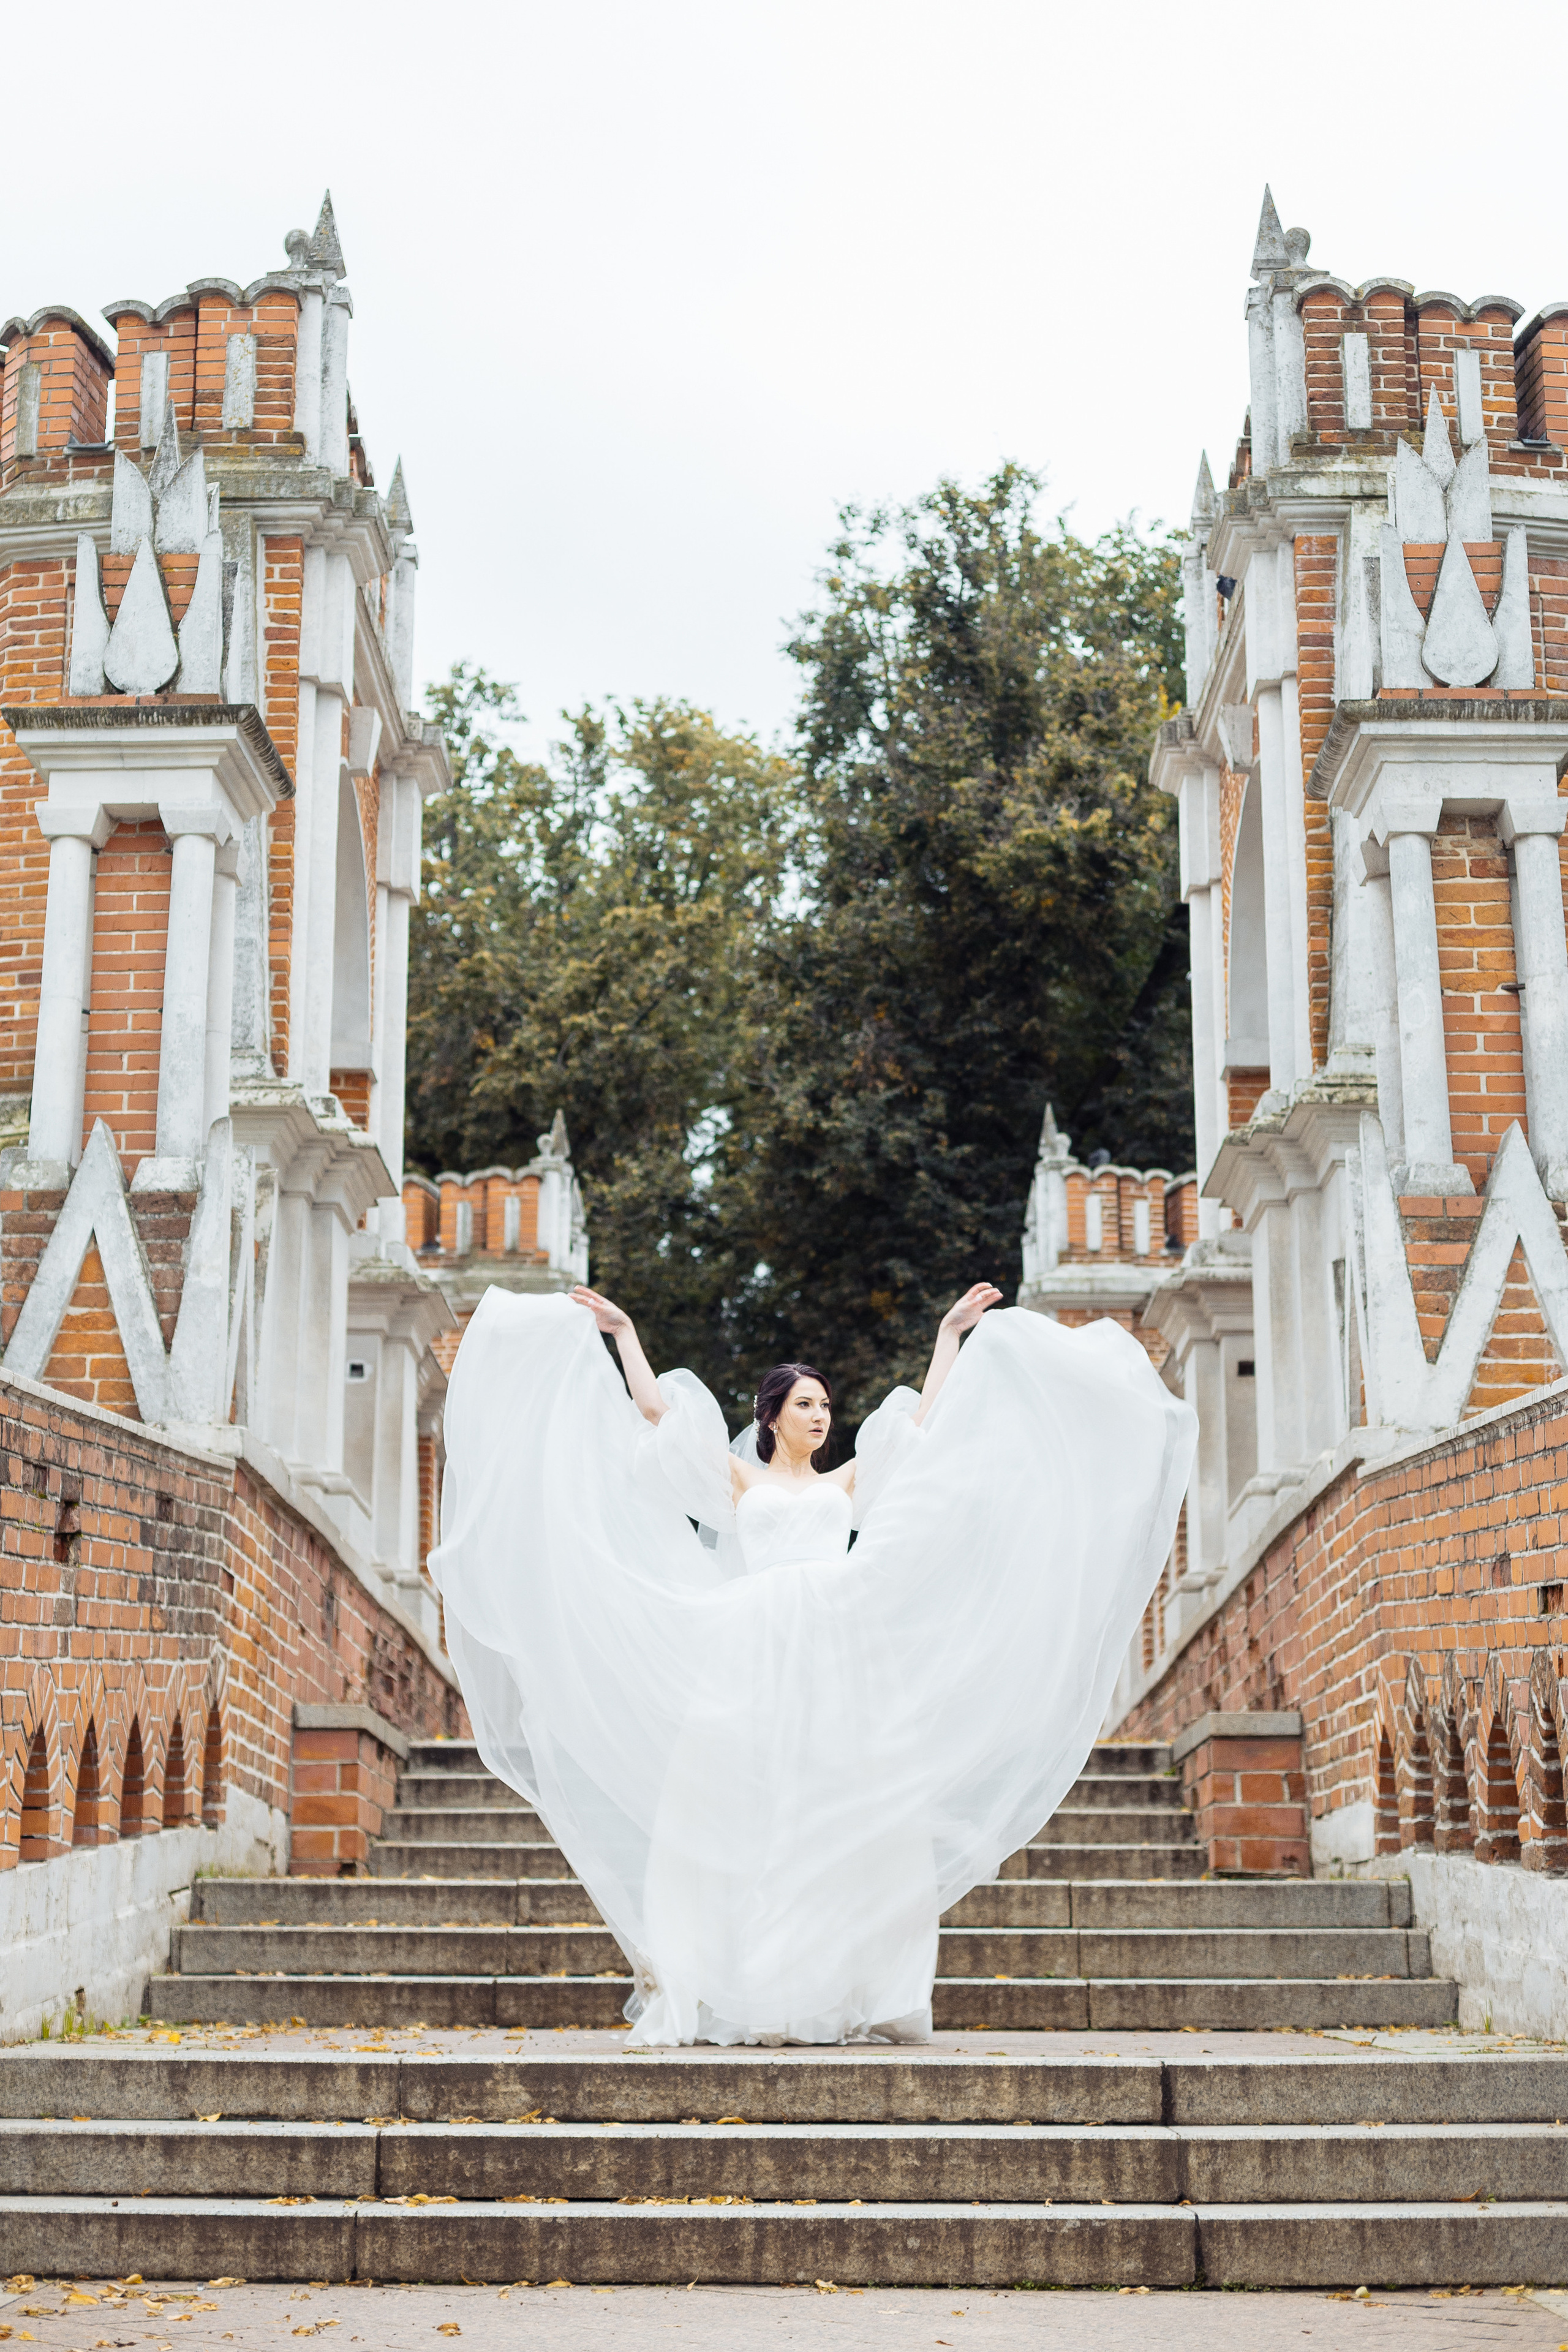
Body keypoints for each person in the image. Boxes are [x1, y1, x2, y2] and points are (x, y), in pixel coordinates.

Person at [430, 1280, 1194, 2049]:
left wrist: (950, 1338)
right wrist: (625, 1333)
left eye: (825, 1405)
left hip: (839, 1651)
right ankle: (746, 1985)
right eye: (804, 1405)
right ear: (770, 1417)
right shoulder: (739, 1481)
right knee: (742, 1806)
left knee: (852, 1809)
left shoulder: (847, 1481)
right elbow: (662, 1418)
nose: (821, 1415)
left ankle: (850, 1987)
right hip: (753, 1649)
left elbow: (922, 1426)